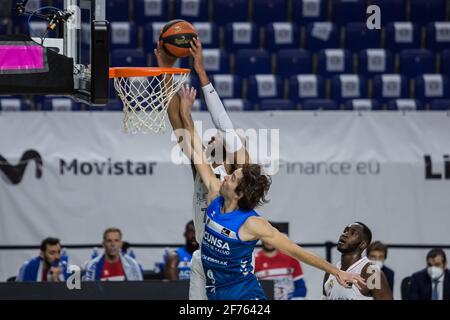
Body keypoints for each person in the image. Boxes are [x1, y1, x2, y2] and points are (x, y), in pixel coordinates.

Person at [175, 85, 365, 300]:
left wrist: (336, 271)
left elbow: (295, 250)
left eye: (233, 178)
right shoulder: (214, 193)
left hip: (245, 297)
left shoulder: (252, 223)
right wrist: (185, 112)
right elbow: (196, 148)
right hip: (216, 293)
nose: (226, 177)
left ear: (238, 194)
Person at [155, 37, 250, 299]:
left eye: (216, 139)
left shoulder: (239, 181)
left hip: (229, 264)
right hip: (203, 258)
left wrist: (198, 76)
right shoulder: (203, 170)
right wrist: (166, 68)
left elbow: (211, 123)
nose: (210, 138)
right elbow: (176, 119)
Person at [323, 222, 393, 300]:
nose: (345, 234)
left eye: (352, 233)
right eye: (345, 230)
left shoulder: (372, 273)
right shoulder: (330, 272)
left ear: (362, 244)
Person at [255, 222, 307, 300]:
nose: (269, 241)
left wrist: (290, 298)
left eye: (272, 237)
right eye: (266, 237)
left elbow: (302, 289)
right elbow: (248, 290)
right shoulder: (254, 260)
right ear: (261, 238)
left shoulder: (291, 258)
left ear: (277, 238)